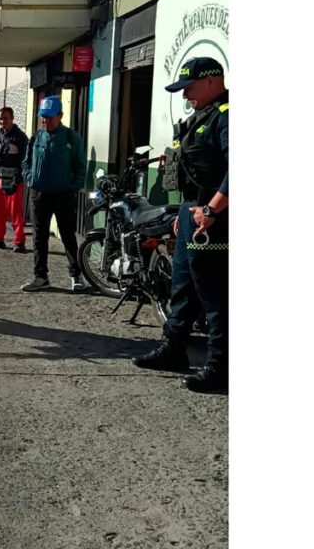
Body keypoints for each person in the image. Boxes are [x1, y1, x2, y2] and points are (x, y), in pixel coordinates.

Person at [132, 57, 229, 393]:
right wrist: (183, 213)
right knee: (182, 286)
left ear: (212, 81)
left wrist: (212, 210)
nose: (185, 94)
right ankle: (174, 350)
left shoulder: (227, 115)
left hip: (216, 220)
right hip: (192, 213)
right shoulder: (200, 116)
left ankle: (220, 368)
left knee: (214, 295)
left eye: (189, 87)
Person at [20, 96, 88, 292]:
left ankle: (76, 275)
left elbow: (80, 166)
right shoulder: (36, 137)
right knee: (39, 237)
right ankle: (40, 277)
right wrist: (30, 178)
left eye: (49, 117)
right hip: (39, 193)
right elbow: (26, 162)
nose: (45, 121)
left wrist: (72, 187)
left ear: (60, 116)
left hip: (63, 195)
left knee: (68, 235)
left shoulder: (71, 138)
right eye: (43, 117)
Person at [0, 107, 30, 252]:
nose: (3, 121)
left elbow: (26, 158)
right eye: (1, 119)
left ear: (12, 118)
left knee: (15, 211)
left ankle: (19, 241)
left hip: (14, 178)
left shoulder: (20, 137)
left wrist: (19, 176)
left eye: (6, 118)